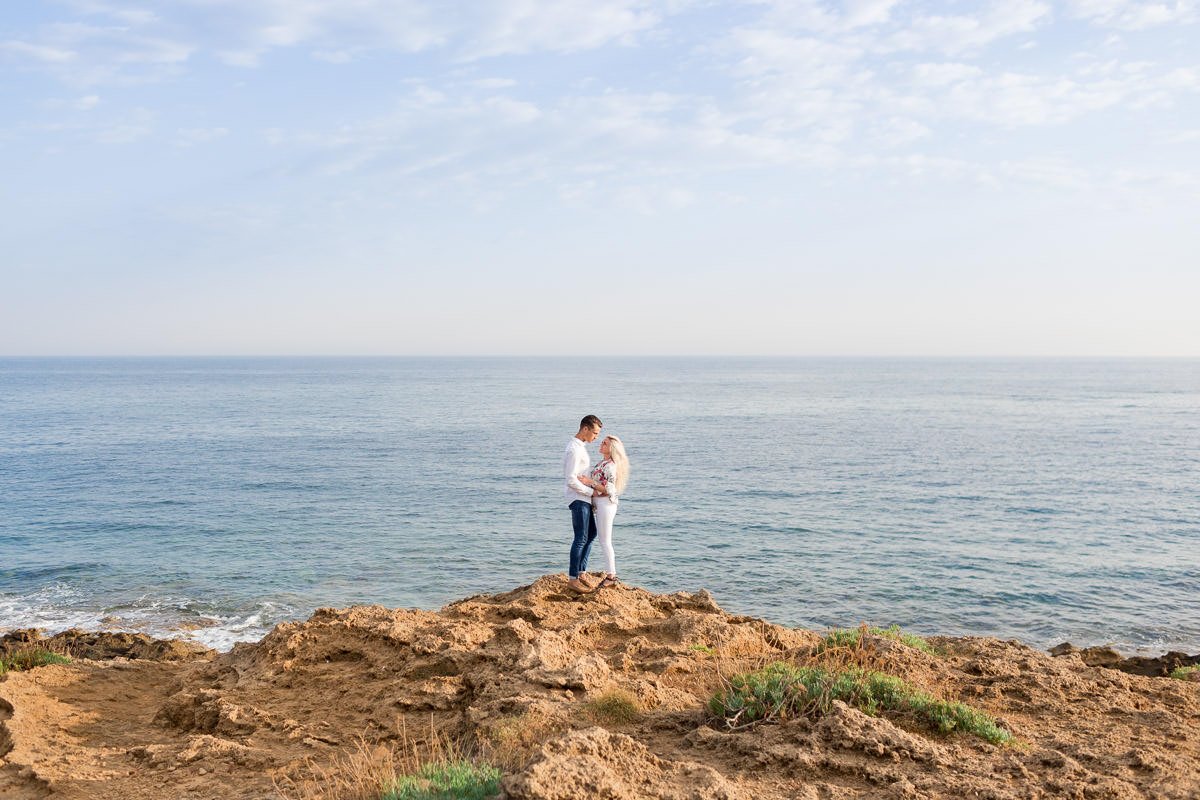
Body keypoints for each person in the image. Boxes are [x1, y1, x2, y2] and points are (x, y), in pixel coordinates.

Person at [578, 435, 629, 589]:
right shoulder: (603, 462)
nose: (601, 444)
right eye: (602, 442)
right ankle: (584, 571)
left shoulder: (611, 465)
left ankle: (611, 576)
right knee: (598, 538)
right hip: (599, 504)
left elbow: (610, 489)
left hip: (606, 504)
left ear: (611, 448)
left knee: (605, 541)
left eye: (605, 443)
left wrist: (590, 482)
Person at [564, 415, 602, 593]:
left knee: (591, 534)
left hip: (584, 498)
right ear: (585, 429)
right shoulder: (574, 449)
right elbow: (571, 479)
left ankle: (581, 573)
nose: (596, 437)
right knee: (580, 537)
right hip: (578, 497)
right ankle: (573, 579)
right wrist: (590, 492)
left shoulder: (581, 447)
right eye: (595, 433)